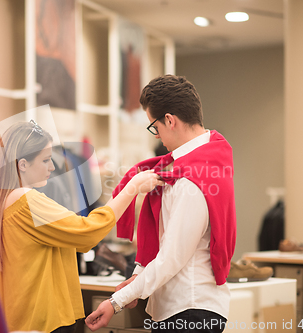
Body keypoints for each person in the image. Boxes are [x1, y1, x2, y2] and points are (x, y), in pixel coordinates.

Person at [86, 75, 237, 333]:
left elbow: (171, 258)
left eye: (154, 127)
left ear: (170, 120)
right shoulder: (203, 164)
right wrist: (137, 279)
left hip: (189, 310)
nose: (157, 136)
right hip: (187, 308)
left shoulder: (192, 179)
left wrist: (117, 301)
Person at [0, 120, 164, 333]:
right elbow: (88, 231)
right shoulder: (26, 201)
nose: (53, 167)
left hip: (24, 318)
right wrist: (132, 187)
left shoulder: (6, 201)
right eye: (46, 160)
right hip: (43, 321)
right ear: (22, 164)